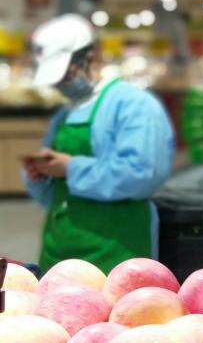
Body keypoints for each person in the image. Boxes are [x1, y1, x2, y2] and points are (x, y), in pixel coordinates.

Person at [23, 14, 174, 274]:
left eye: (65, 75)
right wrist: (40, 176)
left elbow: (143, 173)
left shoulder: (133, 105)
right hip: (59, 248)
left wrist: (71, 169)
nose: (61, 84)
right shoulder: (63, 115)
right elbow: (52, 196)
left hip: (116, 250)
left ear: (89, 57)